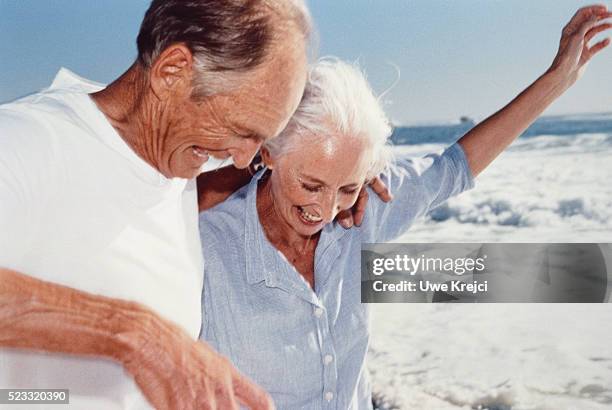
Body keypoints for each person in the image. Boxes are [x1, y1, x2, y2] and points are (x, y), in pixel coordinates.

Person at [197, 6, 612, 409]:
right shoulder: (205, 238)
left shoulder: (364, 210)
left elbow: (454, 167)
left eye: (347, 187)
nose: (325, 209)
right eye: (311, 185)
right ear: (267, 153)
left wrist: (559, 79)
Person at [0, 0, 310, 409]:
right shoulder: (26, 140)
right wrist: (132, 334)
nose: (241, 157)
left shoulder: (184, 162)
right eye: (241, 130)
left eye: (262, 141)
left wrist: (351, 176)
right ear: (172, 71)